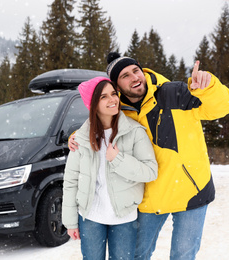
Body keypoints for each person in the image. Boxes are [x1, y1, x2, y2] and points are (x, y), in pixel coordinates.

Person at [69, 52, 229, 259]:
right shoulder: (119, 112)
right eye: (125, 75)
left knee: (183, 256)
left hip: (191, 191)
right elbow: (96, 125)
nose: (135, 77)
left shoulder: (175, 92)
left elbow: (221, 107)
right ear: (117, 86)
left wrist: (208, 89)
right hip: (148, 198)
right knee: (136, 255)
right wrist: (74, 137)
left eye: (136, 71)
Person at [62, 77, 158, 260]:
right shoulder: (80, 138)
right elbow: (71, 181)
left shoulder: (134, 132)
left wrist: (118, 160)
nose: (113, 100)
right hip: (90, 217)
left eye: (114, 94)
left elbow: (150, 171)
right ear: (92, 104)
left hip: (124, 217)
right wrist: (70, 222)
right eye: (104, 97)